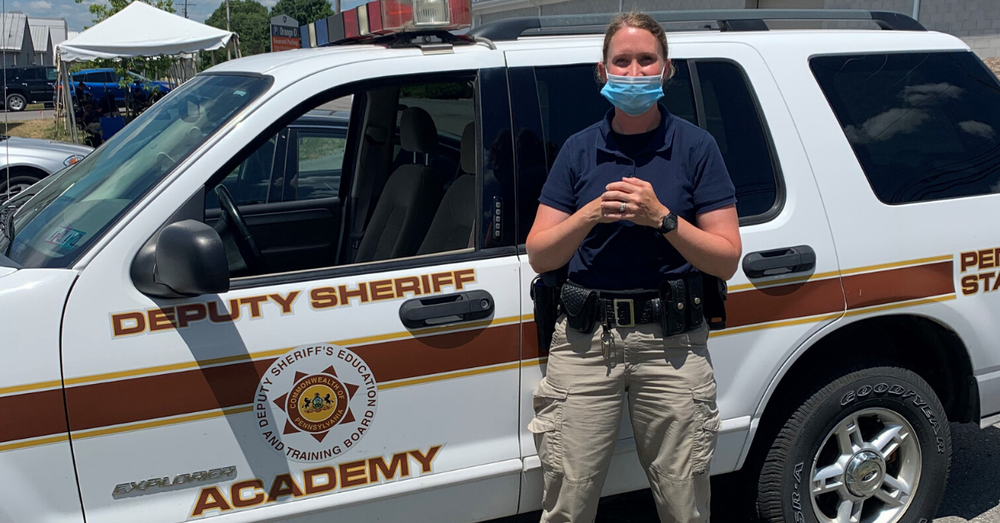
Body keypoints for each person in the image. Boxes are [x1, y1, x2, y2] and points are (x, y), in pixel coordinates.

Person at [524, 11, 742, 523]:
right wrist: (590, 213)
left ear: (667, 69)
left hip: (672, 345)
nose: (634, 71)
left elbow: (727, 257)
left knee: (683, 502)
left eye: (647, 60)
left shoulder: (696, 147)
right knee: (568, 500)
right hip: (584, 342)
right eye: (622, 61)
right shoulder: (579, 150)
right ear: (602, 71)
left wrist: (663, 218)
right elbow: (540, 253)